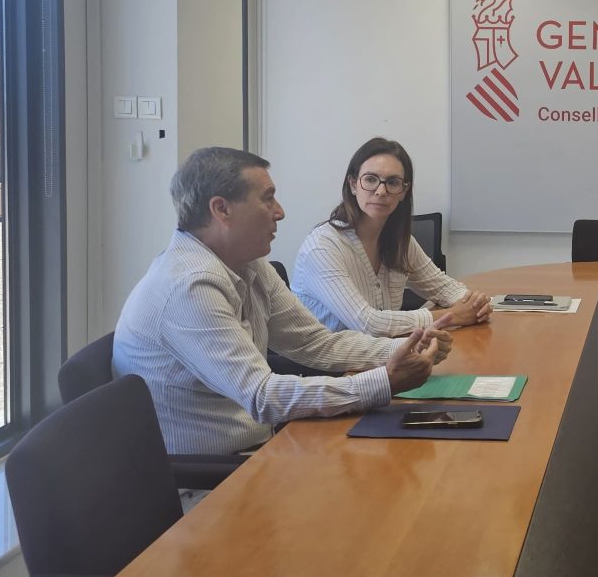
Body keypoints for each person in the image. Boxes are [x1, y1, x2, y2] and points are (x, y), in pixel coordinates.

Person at [114, 147, 447, 455]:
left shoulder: (248, 263)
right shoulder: (189, 285)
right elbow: (262, 396)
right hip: (216, 475)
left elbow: (314, 343)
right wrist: (383, 381)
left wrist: (407, 348)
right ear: (221, 209)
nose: (280, 212)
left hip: (262, 444)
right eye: (268, 198)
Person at [293, 137, 490, 337]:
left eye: (393, 182)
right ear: (353, 184)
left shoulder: (399, 240)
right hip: (335, 357)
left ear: (403, 191)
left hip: (387, 349)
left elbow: (442, 287)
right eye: (370, 179)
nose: (381, 191)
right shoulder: (322, 247)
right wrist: (452, 316)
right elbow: (368, 323)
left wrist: (475, 304)